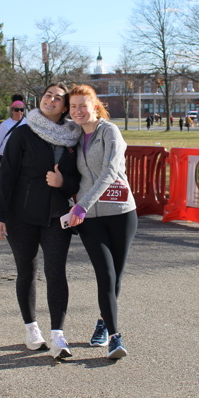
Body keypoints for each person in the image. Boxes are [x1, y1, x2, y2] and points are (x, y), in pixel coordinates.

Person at [0, 83, 81, 360]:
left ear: (64, 107)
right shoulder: (23, 133)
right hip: (22, 215)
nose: (50, 100)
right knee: (26, 272)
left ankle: (58, 335)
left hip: (56, 215)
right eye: (47, 95)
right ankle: (31, 329)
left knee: (56, 272)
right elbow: (6, 176)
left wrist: (64, 182)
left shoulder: (73, 137)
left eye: (57, 98)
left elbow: (79, 178)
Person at [66, 85, 137, 360]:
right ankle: (115, 338)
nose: (78, 111)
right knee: (105, 275)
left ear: (94, 106)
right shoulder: (72, 136)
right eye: (73, 107)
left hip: (120, 213)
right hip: (90, 220)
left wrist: (82, 205)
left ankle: (102, 322)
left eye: (83, 106)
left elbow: (109, 171)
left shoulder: (110, 132)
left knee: (115, 275)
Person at [0, 95, 27, 169]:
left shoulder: (28, 123)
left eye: (21, 110)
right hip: (6, 157)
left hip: (22, 157)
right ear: (12, 110)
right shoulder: (5, 125)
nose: (19, 112)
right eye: (16, 110)